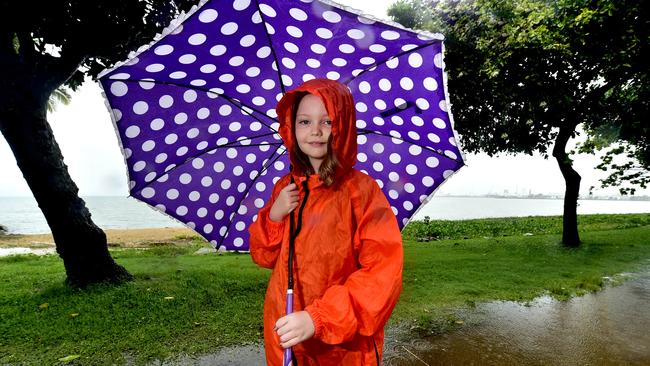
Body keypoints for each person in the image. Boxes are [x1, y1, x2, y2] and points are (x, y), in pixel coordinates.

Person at [249, 78, 403, 365]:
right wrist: (274, 215)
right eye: (305, 122)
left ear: (342, 125)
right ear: (291, 128)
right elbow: (264, 256)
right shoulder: (285, 187)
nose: (316, 131)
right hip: (286, 329)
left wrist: (318, 318)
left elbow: (382, 274)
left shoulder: (362, 191)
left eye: (327, 121)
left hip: (341, 344)